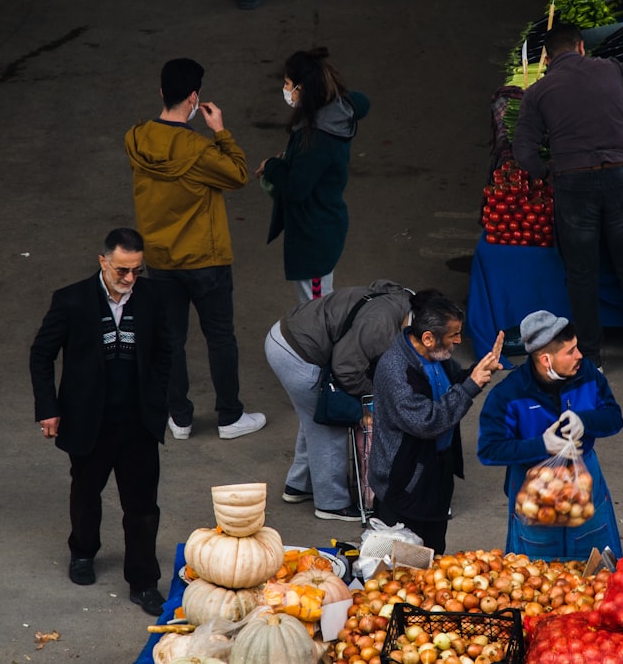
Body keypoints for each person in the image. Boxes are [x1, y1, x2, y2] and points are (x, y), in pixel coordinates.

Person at [512, 23, 623, 375]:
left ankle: (589, 358)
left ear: (547, 57)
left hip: (572, 184)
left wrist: (547, 173)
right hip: (619, 176)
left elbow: (523, 151)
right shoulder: (612, 69)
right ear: (580, 48)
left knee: (581, 275)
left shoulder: (538, 91)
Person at [29, 228, 172, 616]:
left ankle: (143, 581)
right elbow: (41, 355)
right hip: (88, 419)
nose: (129, 280)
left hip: (137, 421)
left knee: (142, 505)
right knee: (86, 492)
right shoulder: (71, 301)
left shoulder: (152, 297)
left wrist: (159, 400)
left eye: (137, 271)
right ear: (103, 262)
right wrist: (48, 408)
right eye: (122, 271)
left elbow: (164, 351)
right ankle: (82, 551)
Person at [124, 57, 265, 441]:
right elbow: (238, 174)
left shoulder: (135, 139)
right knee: (220, 337)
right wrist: (220, 131)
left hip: (160, 260)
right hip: (206, 260)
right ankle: (230, 417)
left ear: (160, 93)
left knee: (170, 339)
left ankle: (180, 418)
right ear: (193, 97)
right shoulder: (198, 150)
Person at [478, 310, 623, 560]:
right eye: (570, 351)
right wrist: (541, 446)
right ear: (546, 360)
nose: (580, 356)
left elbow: (614, 417)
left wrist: (585, 421)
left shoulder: (587, 374)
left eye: (577, 347)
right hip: (535, 487)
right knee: (538, 570)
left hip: (584, 477)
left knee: (596, 563)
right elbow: (489, 450)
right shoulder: (509, 395)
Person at [264, 280, 414, 522]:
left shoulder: (398, 299)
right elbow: (345, 369)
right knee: (330, 424)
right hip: (297, 354)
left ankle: (299, 485)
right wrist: (371, 395)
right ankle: (331, 503)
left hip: (285, 335)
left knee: (314, 416)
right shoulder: (381, 325)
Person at [368, 294, 503, 553]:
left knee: (434, 554)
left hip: (435, 477)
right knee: (402, 562)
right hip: (405, 484)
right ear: (428, 337)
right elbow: (427, 422)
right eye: (453, 335)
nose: (458, 341)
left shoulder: (435, 356)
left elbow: (455, 383)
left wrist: (481, 369)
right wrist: (471, 386)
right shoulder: (396, 370)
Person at [257, 47, 370, 305]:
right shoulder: (337, 111)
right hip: (324, 227)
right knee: (318, 309)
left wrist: (272, 166)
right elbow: (361, 100)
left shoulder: (317, 138)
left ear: (303, 88)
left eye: (288, 84)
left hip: (314, 237)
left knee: (317, 313)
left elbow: (296, 188)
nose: (285, 89)